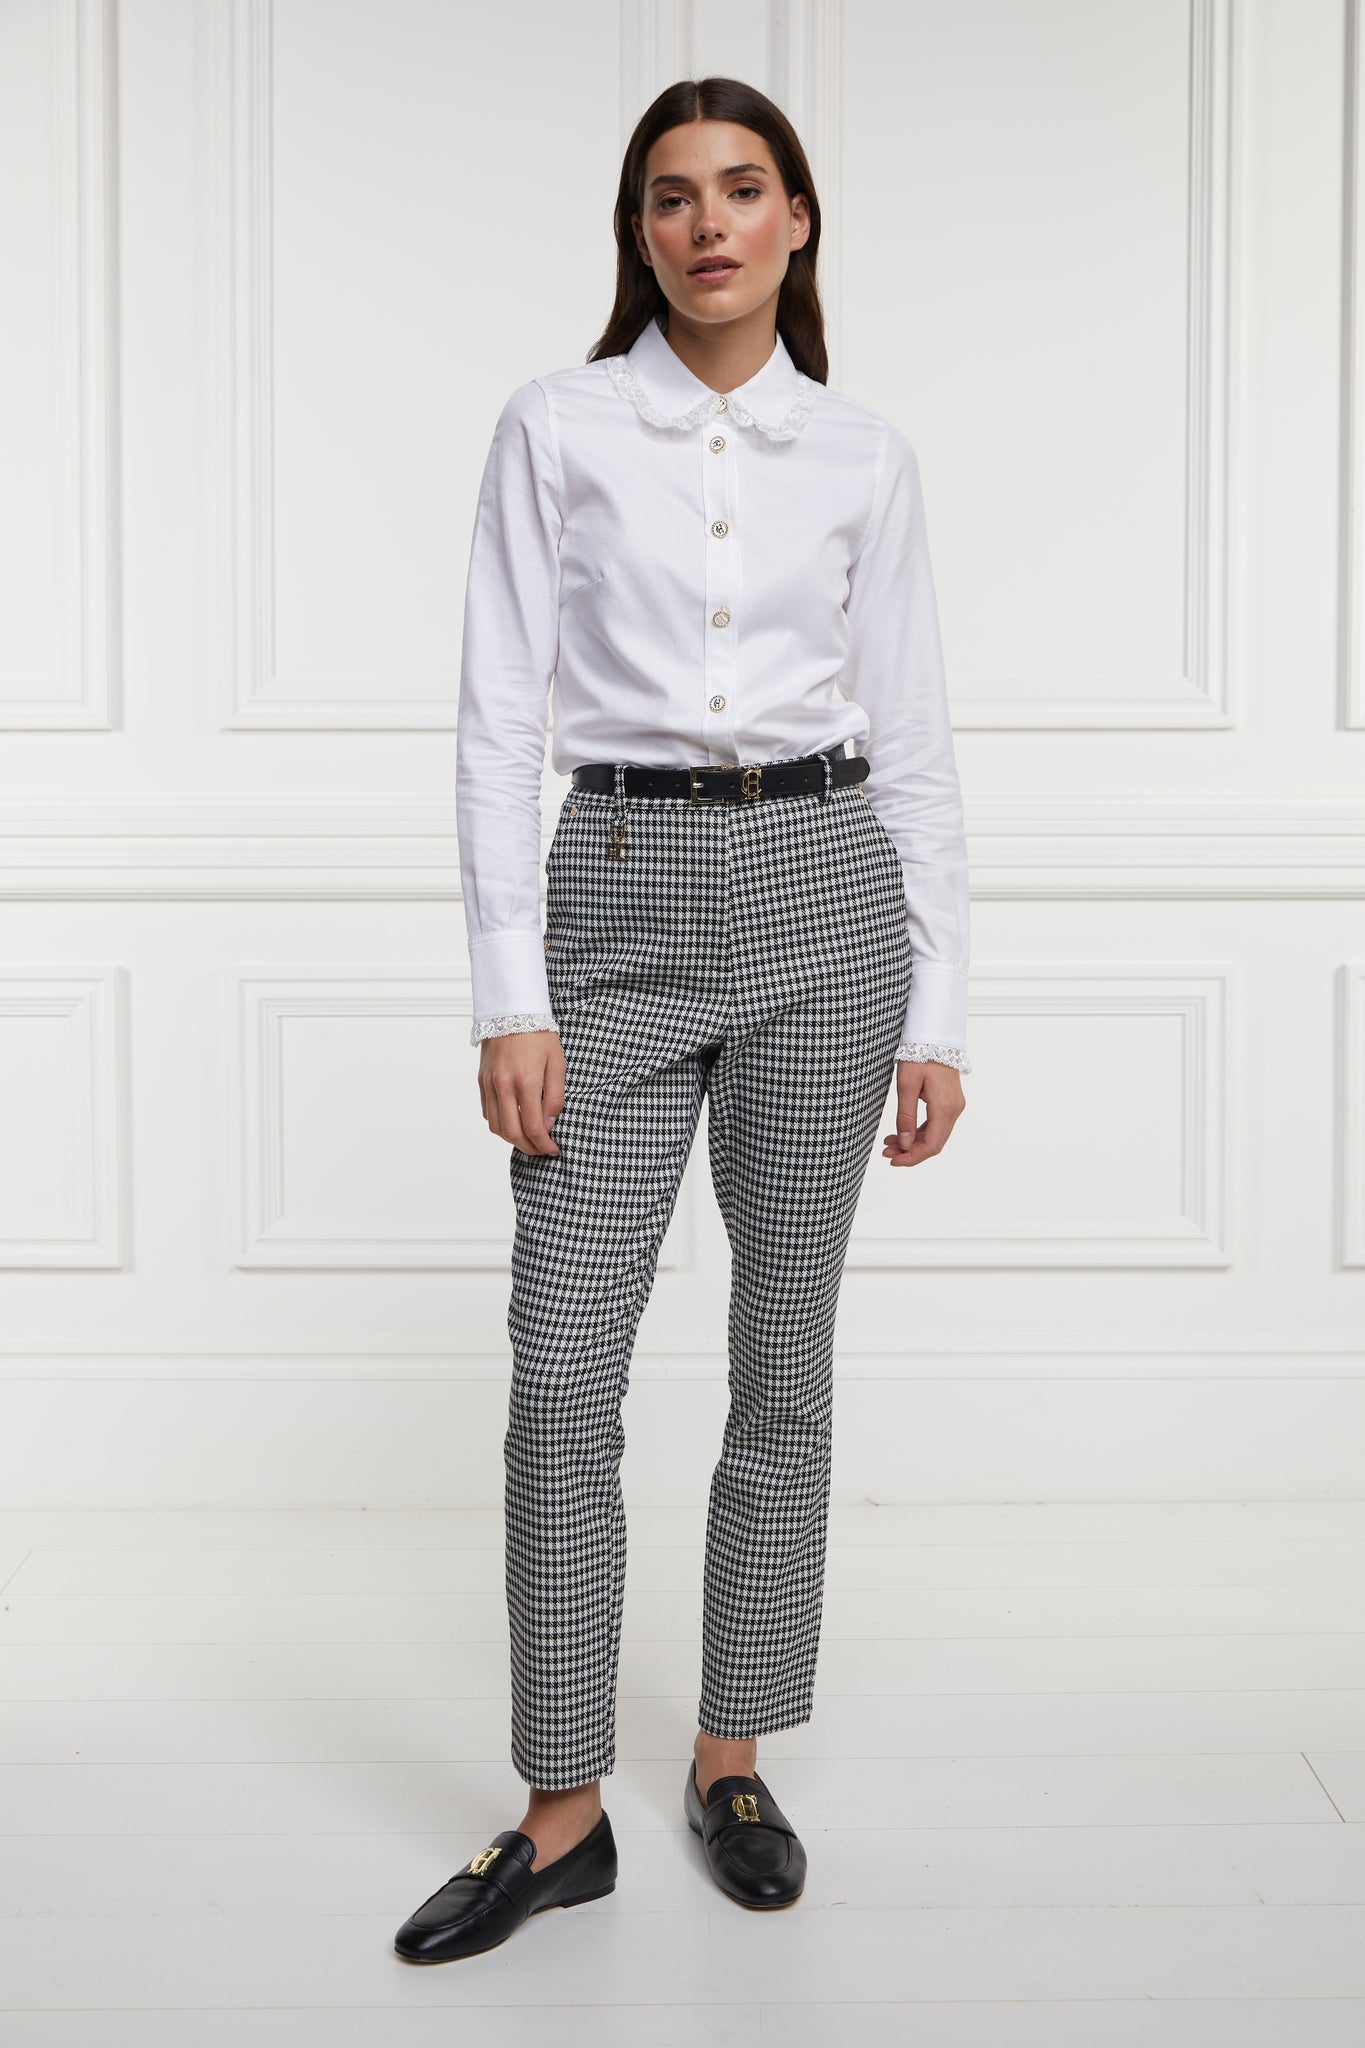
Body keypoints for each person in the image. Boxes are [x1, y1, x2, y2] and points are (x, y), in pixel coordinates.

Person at [394, 73, 971, 1965]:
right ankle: (560, 1812)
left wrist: (939, 1004)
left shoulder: (862, 456)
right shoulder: (556, 426)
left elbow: (914, 738)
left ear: (796, 220)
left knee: (781, 1360)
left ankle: (732, 1756)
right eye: (669, 195)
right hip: (617, 893)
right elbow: (498, 716)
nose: (705, 224)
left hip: (824, 894)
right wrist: (508, 989)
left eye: (740, 189)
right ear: (637, 234)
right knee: (563, 1369)